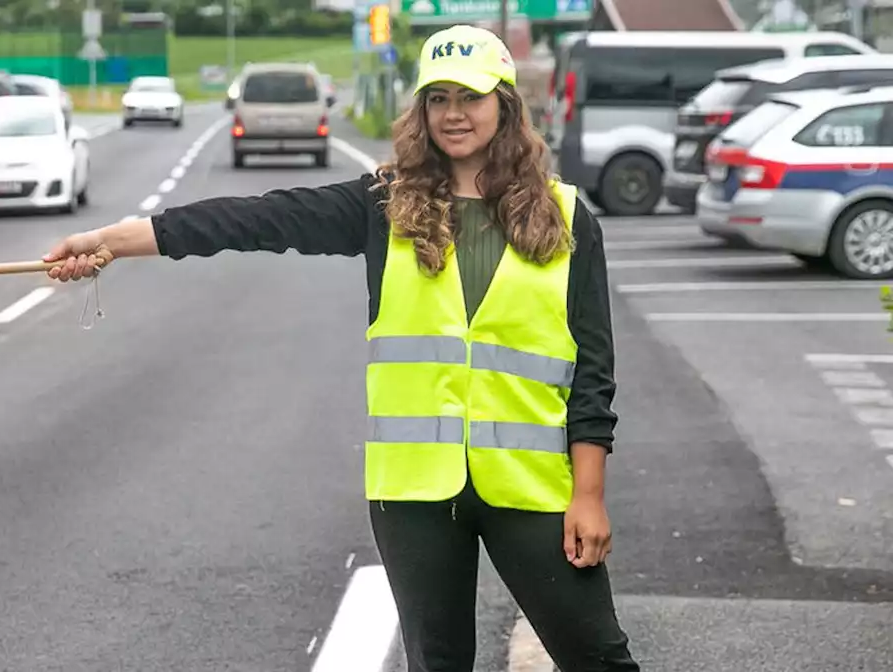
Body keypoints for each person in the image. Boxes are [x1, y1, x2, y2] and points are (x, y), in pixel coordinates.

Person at [42, 24, 639, 672]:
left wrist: (589, 493)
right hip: (414, 493)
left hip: (531, 488)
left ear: (505, 103)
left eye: (470, 97)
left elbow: (592, 374)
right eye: (437, 98)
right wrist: (116, 242)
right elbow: (258, 220)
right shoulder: (386, 207)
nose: (454, 114)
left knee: (599, 658)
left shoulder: (566, 217)